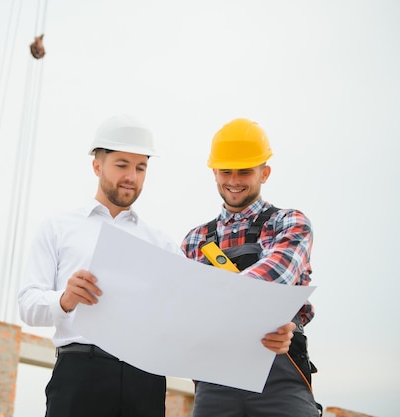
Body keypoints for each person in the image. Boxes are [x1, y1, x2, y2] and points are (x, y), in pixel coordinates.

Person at [18, 114, 296, 417]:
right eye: (122, 165)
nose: (131, 177)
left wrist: (264, 332)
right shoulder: (59, 228)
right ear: (97, 165)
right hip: (81, 374)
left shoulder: (161, 245)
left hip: (145, 380)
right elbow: (28, 304)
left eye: (140, 167)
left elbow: (200, 311)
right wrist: (64, 300)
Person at [181, 117, 322, 417]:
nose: (234, 180)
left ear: (265, 172)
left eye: (244, 171)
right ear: (214, 173)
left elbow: (274, 278)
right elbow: (181, 309)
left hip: (278, 371)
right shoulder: (194, 240)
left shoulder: (288, 223)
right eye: (225, 171)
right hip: (215, 378)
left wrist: (212, 305)